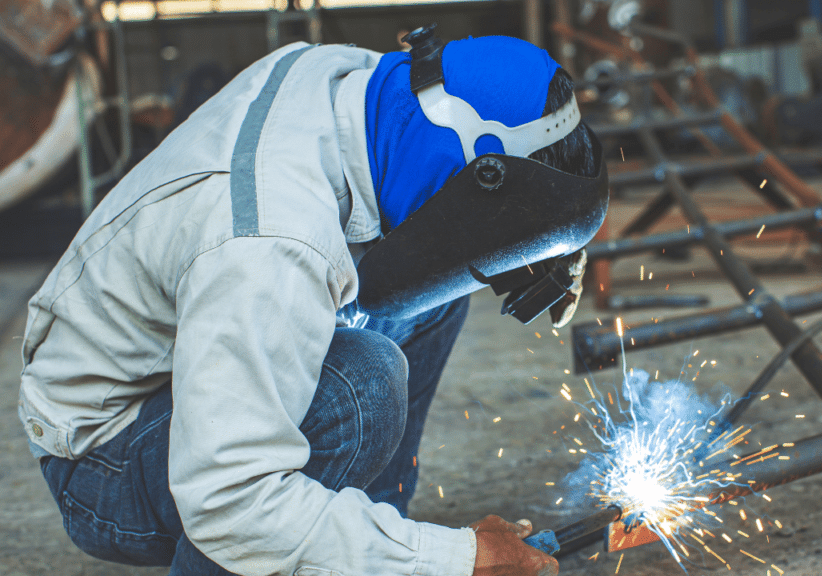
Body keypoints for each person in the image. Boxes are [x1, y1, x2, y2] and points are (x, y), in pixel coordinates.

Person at [18, 26, 606, 576]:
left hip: (191, 354)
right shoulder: (268, 244)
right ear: (479, 170)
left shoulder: (361, 88)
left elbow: (468, 138)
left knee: (439, 283)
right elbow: (228, 503)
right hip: (105, 459)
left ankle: (361, 543)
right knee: (363, 388)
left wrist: (536, 235)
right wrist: (452, 559)